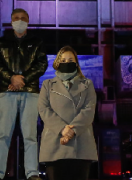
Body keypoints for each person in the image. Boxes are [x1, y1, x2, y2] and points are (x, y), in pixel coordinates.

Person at [0, 8, 48, 180]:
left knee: (29, 134)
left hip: (30, 92)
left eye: (22, 18)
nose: (19, 21)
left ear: (28, 21)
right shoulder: (2, 42)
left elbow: (41, 64)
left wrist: (22, 80)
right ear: (11, 21)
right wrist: (11, 78)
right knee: (3, 134)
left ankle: (32, 173)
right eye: (16, 18)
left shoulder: (37, 42)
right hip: (7, 91)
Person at [38, 46, 98, 180]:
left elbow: (89, 109)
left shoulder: (87, 84)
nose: (66, 62)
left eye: (70, 59)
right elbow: (43, 109)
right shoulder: (48, 84)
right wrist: (62, 129)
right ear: (57, 63)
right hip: (55, 143)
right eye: (63, 60)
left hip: (81, 145)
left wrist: (72, 130)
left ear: (76, 62)